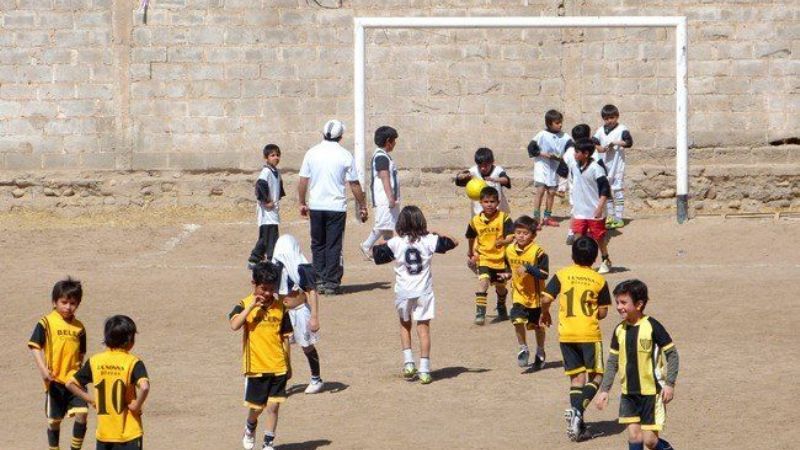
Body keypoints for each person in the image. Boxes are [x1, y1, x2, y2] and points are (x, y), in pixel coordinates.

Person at [372, 205, 458, 384]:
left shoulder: (397, 242)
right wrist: (434, 231)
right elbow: (454, 241)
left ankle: (409, 362)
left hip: (403, 291)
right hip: (423, 292)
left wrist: (386, 241)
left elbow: (377, 255)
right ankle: (425, 370)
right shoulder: (428, 240)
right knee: (423, 329)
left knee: (405, 325)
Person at [541, 236, 611, 442]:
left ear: (572, 255)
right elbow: (604, 311)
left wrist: (545, 313)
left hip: (567, 334)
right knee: (597, 376)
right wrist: (593, 313)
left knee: (576, 379)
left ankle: (578, 426)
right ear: (595, 257)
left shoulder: (562, 274)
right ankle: (578, 411)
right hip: (589, 334)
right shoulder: (599, 280)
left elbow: (545, 298)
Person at [595, 279, 679, 450]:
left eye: (624, 302)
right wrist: (605, 390)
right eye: (617, 302)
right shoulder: (619, 330)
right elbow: (612, 362)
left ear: (639, 304)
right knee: (634, 436)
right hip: (628, 393)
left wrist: (669, 384)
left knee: (650, 441)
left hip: (651, 393)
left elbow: (672, 354)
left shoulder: (652, 326)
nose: (619, 307)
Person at [298, 119, 368, 295]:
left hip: (316, 205)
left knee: (318, 243)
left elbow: (303, 180)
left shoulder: (311, 153)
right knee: (333, 245)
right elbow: (354, 184)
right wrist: (363, 205)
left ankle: (319, 279)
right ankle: (331, 282)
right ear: (341, 136)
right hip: (336, 206)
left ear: (323, 134)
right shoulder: (345, 155)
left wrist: (302, 202)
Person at [229, 262, 293, 450]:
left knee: (273, 407)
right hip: (256, 367)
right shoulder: (243, 304)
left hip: (278, 365)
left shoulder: (281, 308)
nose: (267, 294)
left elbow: (285, 338)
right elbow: (234, 325)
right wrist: (251, 307)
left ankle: (268, 443)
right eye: (263, 289)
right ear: (254, 284)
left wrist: (289, 364)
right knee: (257, 408)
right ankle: (250, 426)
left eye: (271, 289)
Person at [67, 315, 150, 450]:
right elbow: (145, 387)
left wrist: (92, 400)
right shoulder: (133, 362)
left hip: (104, 434)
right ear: (130, 340)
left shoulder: (95, 361)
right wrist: (136, 405)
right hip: (130, 433)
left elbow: (70, 383)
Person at [28, 277, 89, 450]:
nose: (68, 307)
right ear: (54, 302)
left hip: (74, 381)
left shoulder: (80, 327)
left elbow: (81, 353)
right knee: (54, 422)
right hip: (54, 381)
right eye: (64, 302)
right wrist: (43, 370)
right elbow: (35, 346)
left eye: (73, 303)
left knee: (82, 414)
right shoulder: (46, 322)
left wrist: (80, 374)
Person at [272, 234, 323, 395]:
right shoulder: (277, 266)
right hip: (283, 311)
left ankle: (316, 378)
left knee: (306, 346)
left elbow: (311, 291)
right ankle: (282, 379)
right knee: (281, 346)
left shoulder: (302, 266)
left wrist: (314, 317)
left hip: (300, 311)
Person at [501, 215, 549, 370]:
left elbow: (544, 274)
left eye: (525, 233)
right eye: (518, 232)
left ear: (533, 235)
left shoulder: (538, 252)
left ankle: (540, 351)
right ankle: (523, 348)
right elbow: (510, 269)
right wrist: (506, 275)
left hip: (536, 297)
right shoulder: (509, 250)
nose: (521, 236)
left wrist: (529, 268)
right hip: (518, 295)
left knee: (538, 327)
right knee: (517, 320)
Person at [465, 186, 514, 325]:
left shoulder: (504, 218)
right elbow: (470, 236)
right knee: (483, 282)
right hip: (484, 257)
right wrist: (470, 252)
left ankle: (501, 305)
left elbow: (511, 237)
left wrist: (503, 241)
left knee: (500, 287)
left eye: (492, 201)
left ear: (498, 202)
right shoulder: (475, 221)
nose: (489, 205)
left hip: (500, 259)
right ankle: (480, 314)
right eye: (486, 202)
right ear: (480, 202)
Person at [564, 138, 613, 274]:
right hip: (579, 211)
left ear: (585, 154)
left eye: (577, 152)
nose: (574, 154)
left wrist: (599, 207)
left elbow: (605, 189)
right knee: (577, 237)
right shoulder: (574, 167)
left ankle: (605, 259)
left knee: (599, 237)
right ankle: (580, 263)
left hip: (594, 210)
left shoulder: (596, 169)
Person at [360, 126, 400, 259]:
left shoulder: (384, 156)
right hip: (384, 199)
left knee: (389, 225)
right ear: (388, 141)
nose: (395, 144)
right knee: (383, 225)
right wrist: (390, 197)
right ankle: (367, 245)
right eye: (394, 141)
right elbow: (384, 177)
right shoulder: (381, 157)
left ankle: (387, 251)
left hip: (387, 198)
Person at [529, 110, 572, 228]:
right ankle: (536, 218)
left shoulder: (565, 137)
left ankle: (547, 217)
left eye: (561, 122)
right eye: (557, 123)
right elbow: (531, 147)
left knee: (552, 192)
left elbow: (571, 148)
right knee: (541, 190)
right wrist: (544, 154)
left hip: (554, 168)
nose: (560, 125)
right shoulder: (542, 134)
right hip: (542, 166)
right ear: (549, 123)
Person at [594, 104, 633, 230]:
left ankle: (619, 217)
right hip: (604, 165)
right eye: (606, 118)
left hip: (617, 165)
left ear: (617, 117)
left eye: (612, 118)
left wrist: (615, 143)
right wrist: (600, 148)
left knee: (617, 190)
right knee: (607, 190)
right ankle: (610, 216)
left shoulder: (622, 129)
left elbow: (629, 142)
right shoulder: (601, 130)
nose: (609, 121)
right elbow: (594, 141)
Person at [564, 124, 604, 246]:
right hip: (587, 189)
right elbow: (600, 170)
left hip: (574, 187)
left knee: (576, 210)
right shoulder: (592, 153)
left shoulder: (569, 151)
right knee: (588, 212)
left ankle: (572, 233)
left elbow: (563, 168)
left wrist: (561, 185)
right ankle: (590, 236)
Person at [249, 144, 285, 267]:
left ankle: (255, 258)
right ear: (266, 158)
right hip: (266, 211)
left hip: (273, 210)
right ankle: (270, 259)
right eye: (272, 155)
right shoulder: (266, 172)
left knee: (267, 236)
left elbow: (278, 187)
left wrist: (277, 199)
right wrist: (266, 201)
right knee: (270, 236)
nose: (276, 157)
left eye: (277, 155)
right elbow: (260, 185)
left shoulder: (276, 172)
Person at [454, 147, 511, 216]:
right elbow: (459, 180)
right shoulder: (473, 171)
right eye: (480, 166)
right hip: (479, 212)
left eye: (486, 166)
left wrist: (495, 179)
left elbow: (506, 180)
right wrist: (461, 176)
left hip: (497, 211)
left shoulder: (498, 170)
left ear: (492, 162)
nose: (483, 168)